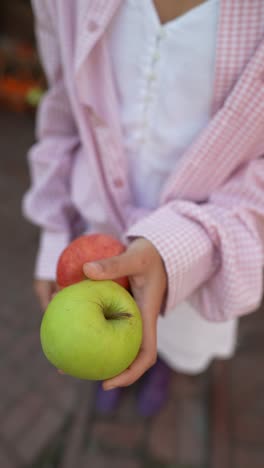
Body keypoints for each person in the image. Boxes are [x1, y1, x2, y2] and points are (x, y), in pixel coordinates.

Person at [23, 0, 264, 417]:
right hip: (96, 230)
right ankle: (113, 367)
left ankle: (160, 370)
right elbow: (62, 108)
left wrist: (175, 249)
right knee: (115, 338)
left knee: (168, 335)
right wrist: (55, 235)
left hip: (208, 246)